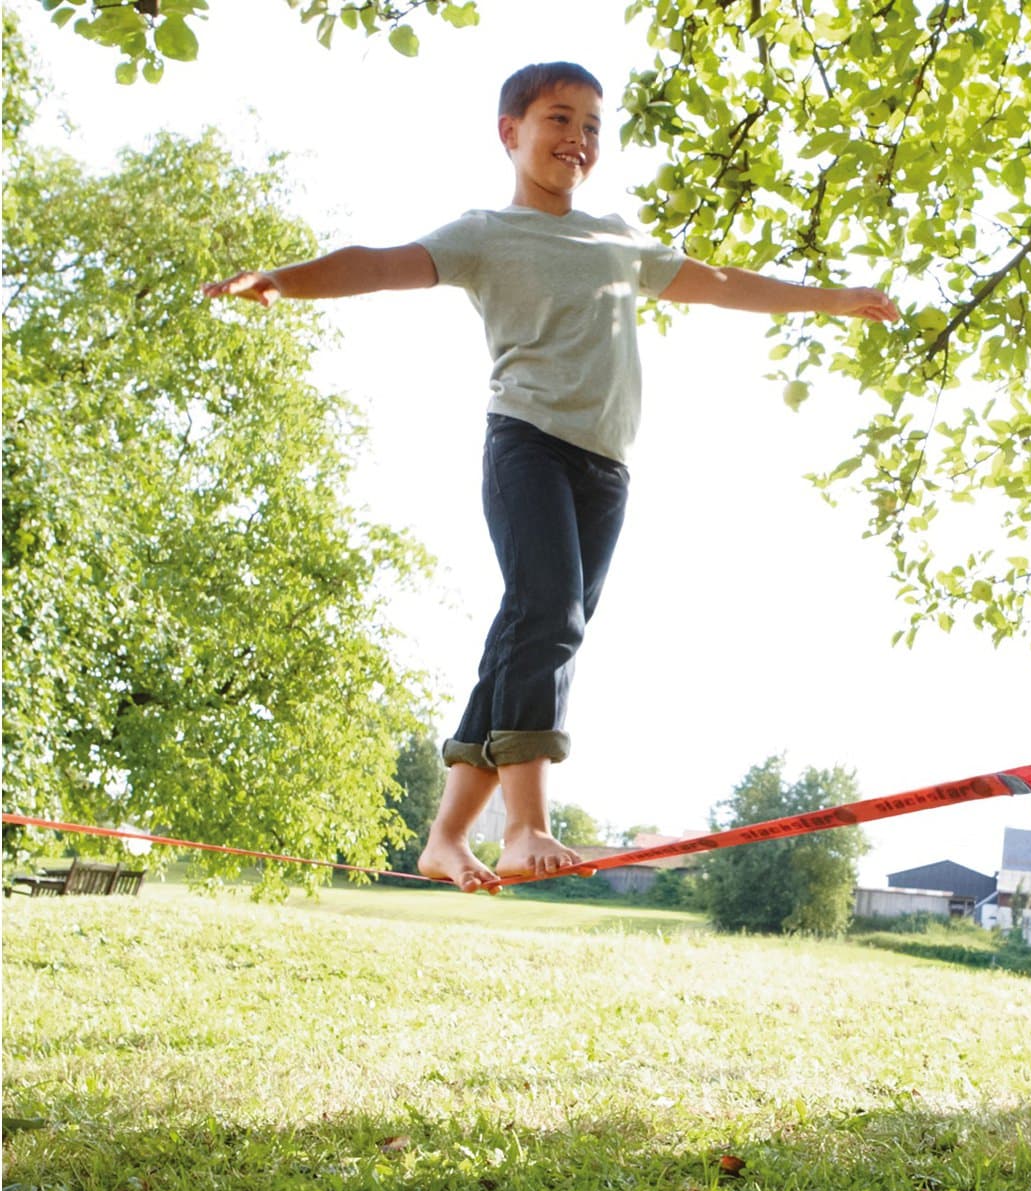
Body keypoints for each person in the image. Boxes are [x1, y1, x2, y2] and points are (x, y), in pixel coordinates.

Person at [203, 60, 899, 893]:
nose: (578, 140)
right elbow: (378, 264)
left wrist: (833, 299)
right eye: (559, 120)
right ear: (512, 132)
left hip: (607, 469)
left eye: (593, 127)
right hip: (526, 445)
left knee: (528, 635)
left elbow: (720, 285)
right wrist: (286, 279)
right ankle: (525, 826)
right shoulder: (484, 235)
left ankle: (446, 836)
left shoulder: (617, 240)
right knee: (550, 617)